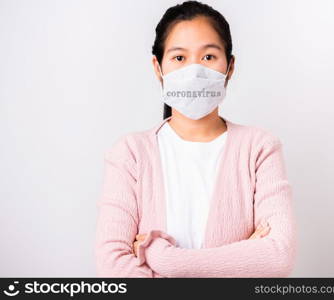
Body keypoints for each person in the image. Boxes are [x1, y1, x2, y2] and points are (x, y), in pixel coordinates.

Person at [95, 0, 297, 278]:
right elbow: (112, 266)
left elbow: (277, 259)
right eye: (179, 58)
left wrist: (162, 258)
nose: (194, 71)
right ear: (158, 67)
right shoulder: (130, 154)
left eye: (209, 57)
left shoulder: (259, 149)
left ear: (230, 66)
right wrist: (238, 263)